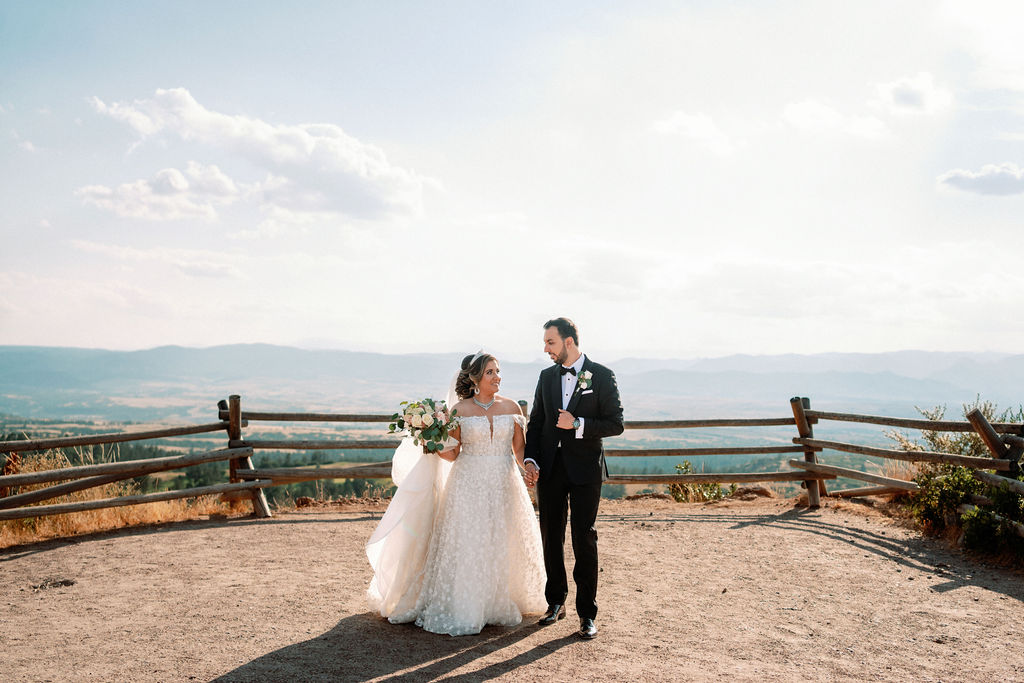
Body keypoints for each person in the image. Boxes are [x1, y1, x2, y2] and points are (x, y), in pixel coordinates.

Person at [366, 352, 546, 636]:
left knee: (500, 539)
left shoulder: (512, 408)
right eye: (490, 372)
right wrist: (431, 442)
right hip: (467, 484)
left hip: (503, 483)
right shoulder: (460, 411)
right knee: (470, 542)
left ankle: (495, 601)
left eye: (498, 371)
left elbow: (519, 449)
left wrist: (528, 467)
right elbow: (453, 454)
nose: (497, 377)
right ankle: (468, 603)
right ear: (475, 378)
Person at [524, 317, 624, 640]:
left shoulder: (602, 376)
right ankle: (555, 603)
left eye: (550, 342)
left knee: (584, 538)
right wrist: (531, 458)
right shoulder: (546, 377)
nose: (545, 349)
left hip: (585, 471)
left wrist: (578, 423)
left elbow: (615, 423)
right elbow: (536, 422)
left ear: (569, 342)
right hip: (550, 469)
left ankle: (587, 614)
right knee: (550, 536)